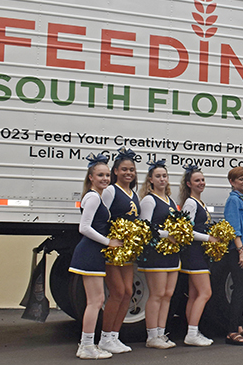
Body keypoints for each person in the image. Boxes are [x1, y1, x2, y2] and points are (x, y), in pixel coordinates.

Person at [68, 154, 118, 359]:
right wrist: (108, 242)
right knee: (95, 301)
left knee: (96, 300)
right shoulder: (92, 197)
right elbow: (84, 227)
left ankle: (88, 344)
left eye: (107, 175)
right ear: (91, 177)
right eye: (100, 175)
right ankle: (86, 346)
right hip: (89, 253)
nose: (105, 178)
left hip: (94, 254)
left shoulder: (98, 196)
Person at [98, 147, 140, 354]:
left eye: (131, 170)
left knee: (128, 292)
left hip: (128, 249)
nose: (128, 173)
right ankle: (105, 336)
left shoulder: (134, 194)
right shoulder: (111, 190)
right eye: (124, 169)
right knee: (117, 292)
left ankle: (115, 336)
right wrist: (107, 241)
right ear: (115, 171)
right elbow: (101, 217)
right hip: (113, 249)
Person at [138, 159, 180, 349]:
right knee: (157, 294)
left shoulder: (170, 201)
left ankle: (161, 333)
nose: (162, 179)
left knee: (168, 294)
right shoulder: (149, 199)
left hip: (171, 253)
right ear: (150, 180)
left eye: (164, 176)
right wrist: (167, 235)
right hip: (155, 253)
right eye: (158, 176)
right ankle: (151, 335)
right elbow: (145, 227)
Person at [179, 165, 219, 346]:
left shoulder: (199, 202)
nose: (201, 183)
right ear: (189, 184)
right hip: (193, 253)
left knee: (195, 294)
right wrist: (208, 238)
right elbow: (186, 231)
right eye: (197, 180)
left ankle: (193, 330)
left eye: (202, 180)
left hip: (199, 252)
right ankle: (192, 333)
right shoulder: (190, 203)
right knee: (205, 292)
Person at [220, 167, 243, 345]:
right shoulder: (233, 201)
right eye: (241, 179)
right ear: (232, 182)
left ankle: (240, 327)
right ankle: (232, 331)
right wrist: (241, 251)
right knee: (239, 290)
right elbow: (234, 228)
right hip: (238, 251)